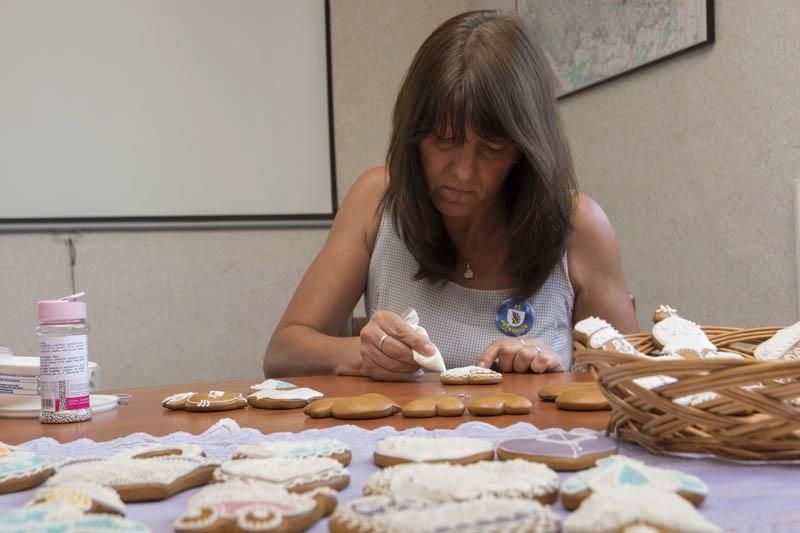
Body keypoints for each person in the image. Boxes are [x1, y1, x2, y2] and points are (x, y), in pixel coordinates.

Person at [264, 10, 637, 381]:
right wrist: (363, 354)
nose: (462, 172)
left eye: (491, 149)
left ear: (525, 151)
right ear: (413, 135)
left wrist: (557, 371)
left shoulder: (579, 226)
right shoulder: (375, 201)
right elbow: (283, 353)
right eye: (444, 140)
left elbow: (636, 383)